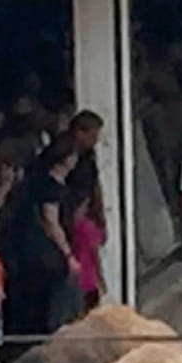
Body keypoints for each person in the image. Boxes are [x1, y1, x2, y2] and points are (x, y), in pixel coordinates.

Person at [0, 137, 83, 363]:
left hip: (32, 253)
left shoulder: (41, 182)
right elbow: (50, 221)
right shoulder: (49, 186)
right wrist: (68, 254)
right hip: (42, 254)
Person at [62, 111, 108, 311]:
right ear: (80, 133)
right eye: (93, 135)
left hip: (84, 214)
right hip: (69, 216)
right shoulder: (65, 155)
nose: (95, 141)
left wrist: (100, 215)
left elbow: (95, 184)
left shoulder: (89, 156)